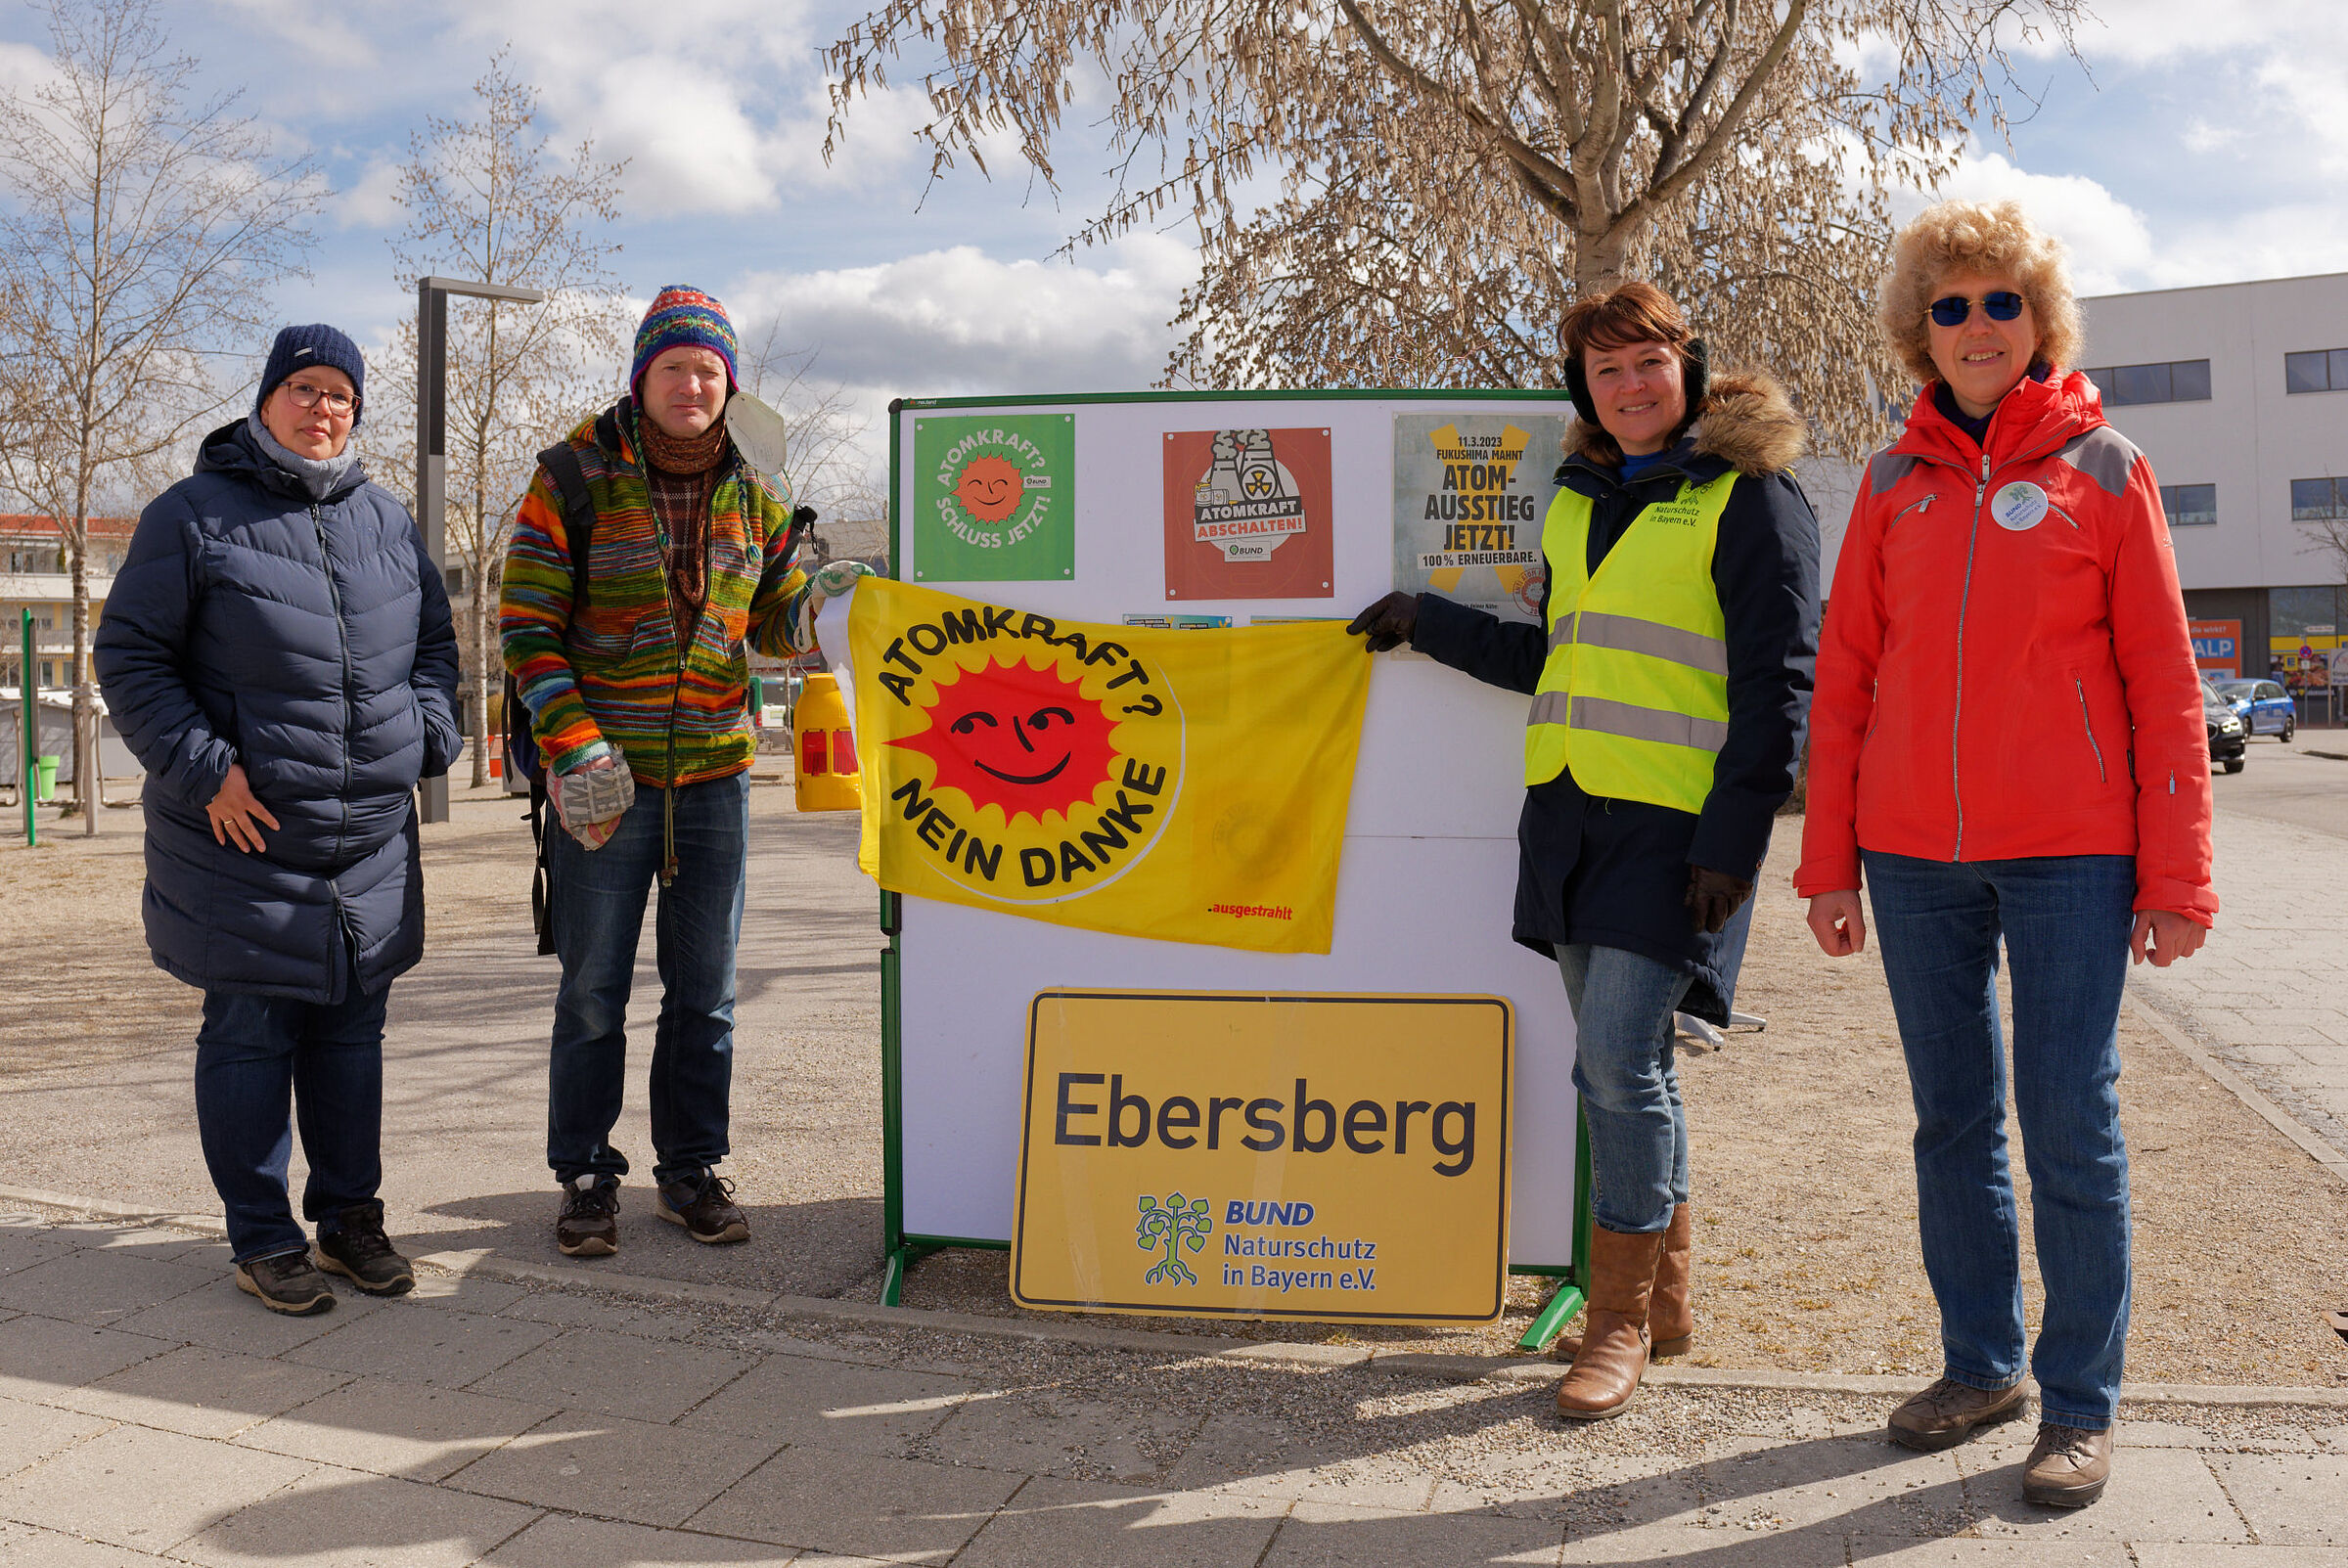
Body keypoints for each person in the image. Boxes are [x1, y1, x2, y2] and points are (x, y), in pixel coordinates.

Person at [1795, 200, 2216, 1507]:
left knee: (2070, 1124)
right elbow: (1848, 675)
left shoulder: (2108, 467)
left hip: (2072, 856)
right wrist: (1827, 860)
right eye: (1949, 305)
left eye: (1999, 301)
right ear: (1922, 332)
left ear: (2039, 318)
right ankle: (1980, 1363)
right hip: (1913, 857)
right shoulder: (1886, 481)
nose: (1975, 324)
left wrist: (2179, 872)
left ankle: (2079, 1402)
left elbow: (2164, 680)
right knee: (1952, 1121)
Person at [1350, 281, 1820, 1420]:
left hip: (1679, 836)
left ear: (1689, 367)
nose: (1631, 386)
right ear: (1585, 392)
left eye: (1648, 362)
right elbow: (1560, 659)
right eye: (1606, 371)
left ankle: (1613, 1327)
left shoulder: (1751, 495)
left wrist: (1736, 843)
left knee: (1614, 1062)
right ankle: (1666, 1300)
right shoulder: (1577, 501)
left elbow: (1781, 684)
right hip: (1567, 825)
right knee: (1633, 1067)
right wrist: (1429, 619)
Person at [95, 324, 460, 1315]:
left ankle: (348, 1220)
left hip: (370, 839)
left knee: (352, 1034)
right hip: (243, 836)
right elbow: (129, 659)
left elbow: (435, 641)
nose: (322, 406)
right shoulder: (192, 517)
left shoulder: (387, 519)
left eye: (340, 392)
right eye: (304, 387)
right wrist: (205, 770)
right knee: (252, 1031)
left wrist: (429, 733)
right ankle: (263, 1237)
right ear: (265, 399)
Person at [501, 286, 865, 1258]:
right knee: (593, 990)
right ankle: (584, 1174)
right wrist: (572, 740)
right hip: (601, 775)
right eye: (675, 366)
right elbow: (527, 627)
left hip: (715, 775)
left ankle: (689, 1169)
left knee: (705, 991)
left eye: (710, 369)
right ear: (642, 375)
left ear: (728, 381)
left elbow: (777, 625)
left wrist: (824, 605)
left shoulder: (759, 488)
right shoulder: (572, 476)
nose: (693, 384)